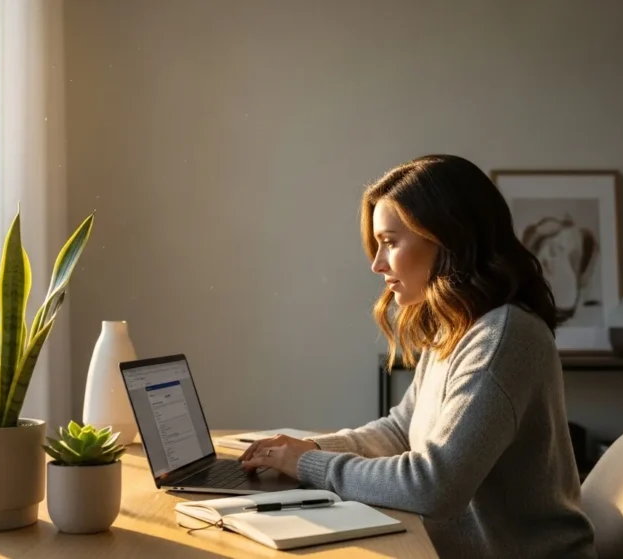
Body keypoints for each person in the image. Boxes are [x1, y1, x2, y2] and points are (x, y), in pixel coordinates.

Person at [239, 154, 598, 558]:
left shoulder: (503, 336)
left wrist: (307, 465)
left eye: (389, 243)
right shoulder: (457, 326)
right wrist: (306, 451)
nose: (377, 264)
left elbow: (434, 486)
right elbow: (399, 431)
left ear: (448, 237)